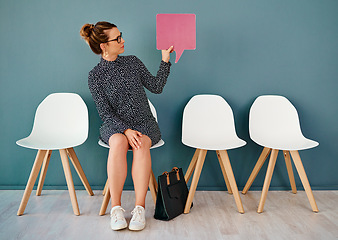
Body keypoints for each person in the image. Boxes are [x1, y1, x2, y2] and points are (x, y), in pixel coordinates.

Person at [80, 21, 173, 231]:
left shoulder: (132, 62)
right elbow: (105, 112)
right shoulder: (95, 76)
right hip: (114, 125)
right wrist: (125, 129)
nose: (123, 41)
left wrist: (165, 61)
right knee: (118, 142)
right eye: (117, 39)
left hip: (144, 123)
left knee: (140, 144)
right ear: (104, 45)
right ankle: (116, 209)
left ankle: (139, 208)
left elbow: (156, 87)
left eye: (121, 36)